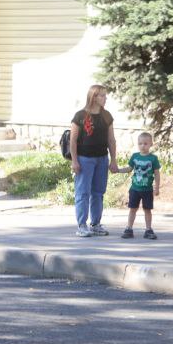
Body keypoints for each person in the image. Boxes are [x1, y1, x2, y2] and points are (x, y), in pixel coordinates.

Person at [69, 85, 120, 237]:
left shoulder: (107, 116)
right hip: (84, 160)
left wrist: (113, 160)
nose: (105, 98)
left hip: (102, 159)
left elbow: (111, 139)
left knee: (98, 192)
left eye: (105, 95)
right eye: (102, 96)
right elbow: (73, 140)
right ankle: (81, 225)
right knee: (83, 192)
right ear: (94, 97)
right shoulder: (80, 116)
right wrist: (74, 161)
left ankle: (96, 224)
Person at [114, 132, 162, 239]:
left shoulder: (153, 158)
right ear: (137, 144)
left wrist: (157, 187)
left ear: (151, 144)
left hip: (147, 190)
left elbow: (157, 174)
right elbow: (129, 169)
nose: (142, 146)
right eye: (140, 143)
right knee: (133, 209)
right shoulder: (135, 156)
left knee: (147, 210)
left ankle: (148, 230)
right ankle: (129, 229)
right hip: (135, 189)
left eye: (145, 143)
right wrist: (118, 170)